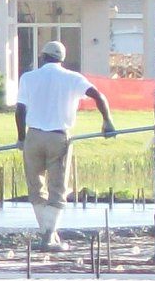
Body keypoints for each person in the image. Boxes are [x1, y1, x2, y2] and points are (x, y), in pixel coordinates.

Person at [14, 40, 117, 251]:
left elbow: (20, 110)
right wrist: (107, 121)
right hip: (58, 138)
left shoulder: (28, 78)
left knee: (36, 187)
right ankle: (49, 236)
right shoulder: (72, 78)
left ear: (42, 57)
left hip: (33, 137)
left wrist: (21, 138)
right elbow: (98, 96)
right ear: (62, 59)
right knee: (57, 189)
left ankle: (46, 233)